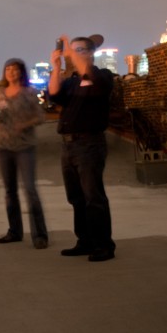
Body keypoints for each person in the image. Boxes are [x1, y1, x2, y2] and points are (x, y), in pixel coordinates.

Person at [48, 34, 116, 262]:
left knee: (93, 197)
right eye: (72, 50)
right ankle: (85, 241)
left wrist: (70, 52)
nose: (72, 54)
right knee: (76, 197)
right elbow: (54, 94)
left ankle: (103, 245)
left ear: (90, 53)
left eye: (78, 50)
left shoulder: (102, 76)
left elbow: (92, 80)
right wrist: (56, 67)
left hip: (90, 144)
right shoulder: (72, 81)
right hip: (68, 145)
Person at [0, 58, 49, 249]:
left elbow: (40, 117)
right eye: (8, 69)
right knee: (10, 191)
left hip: (25, 146)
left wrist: (23, 125)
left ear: (21, 72)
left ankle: (40, 235)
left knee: (30, 190)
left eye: (15, 69)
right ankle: (14, 231)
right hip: (3, 146)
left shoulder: (29, 93)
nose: (11, 72)